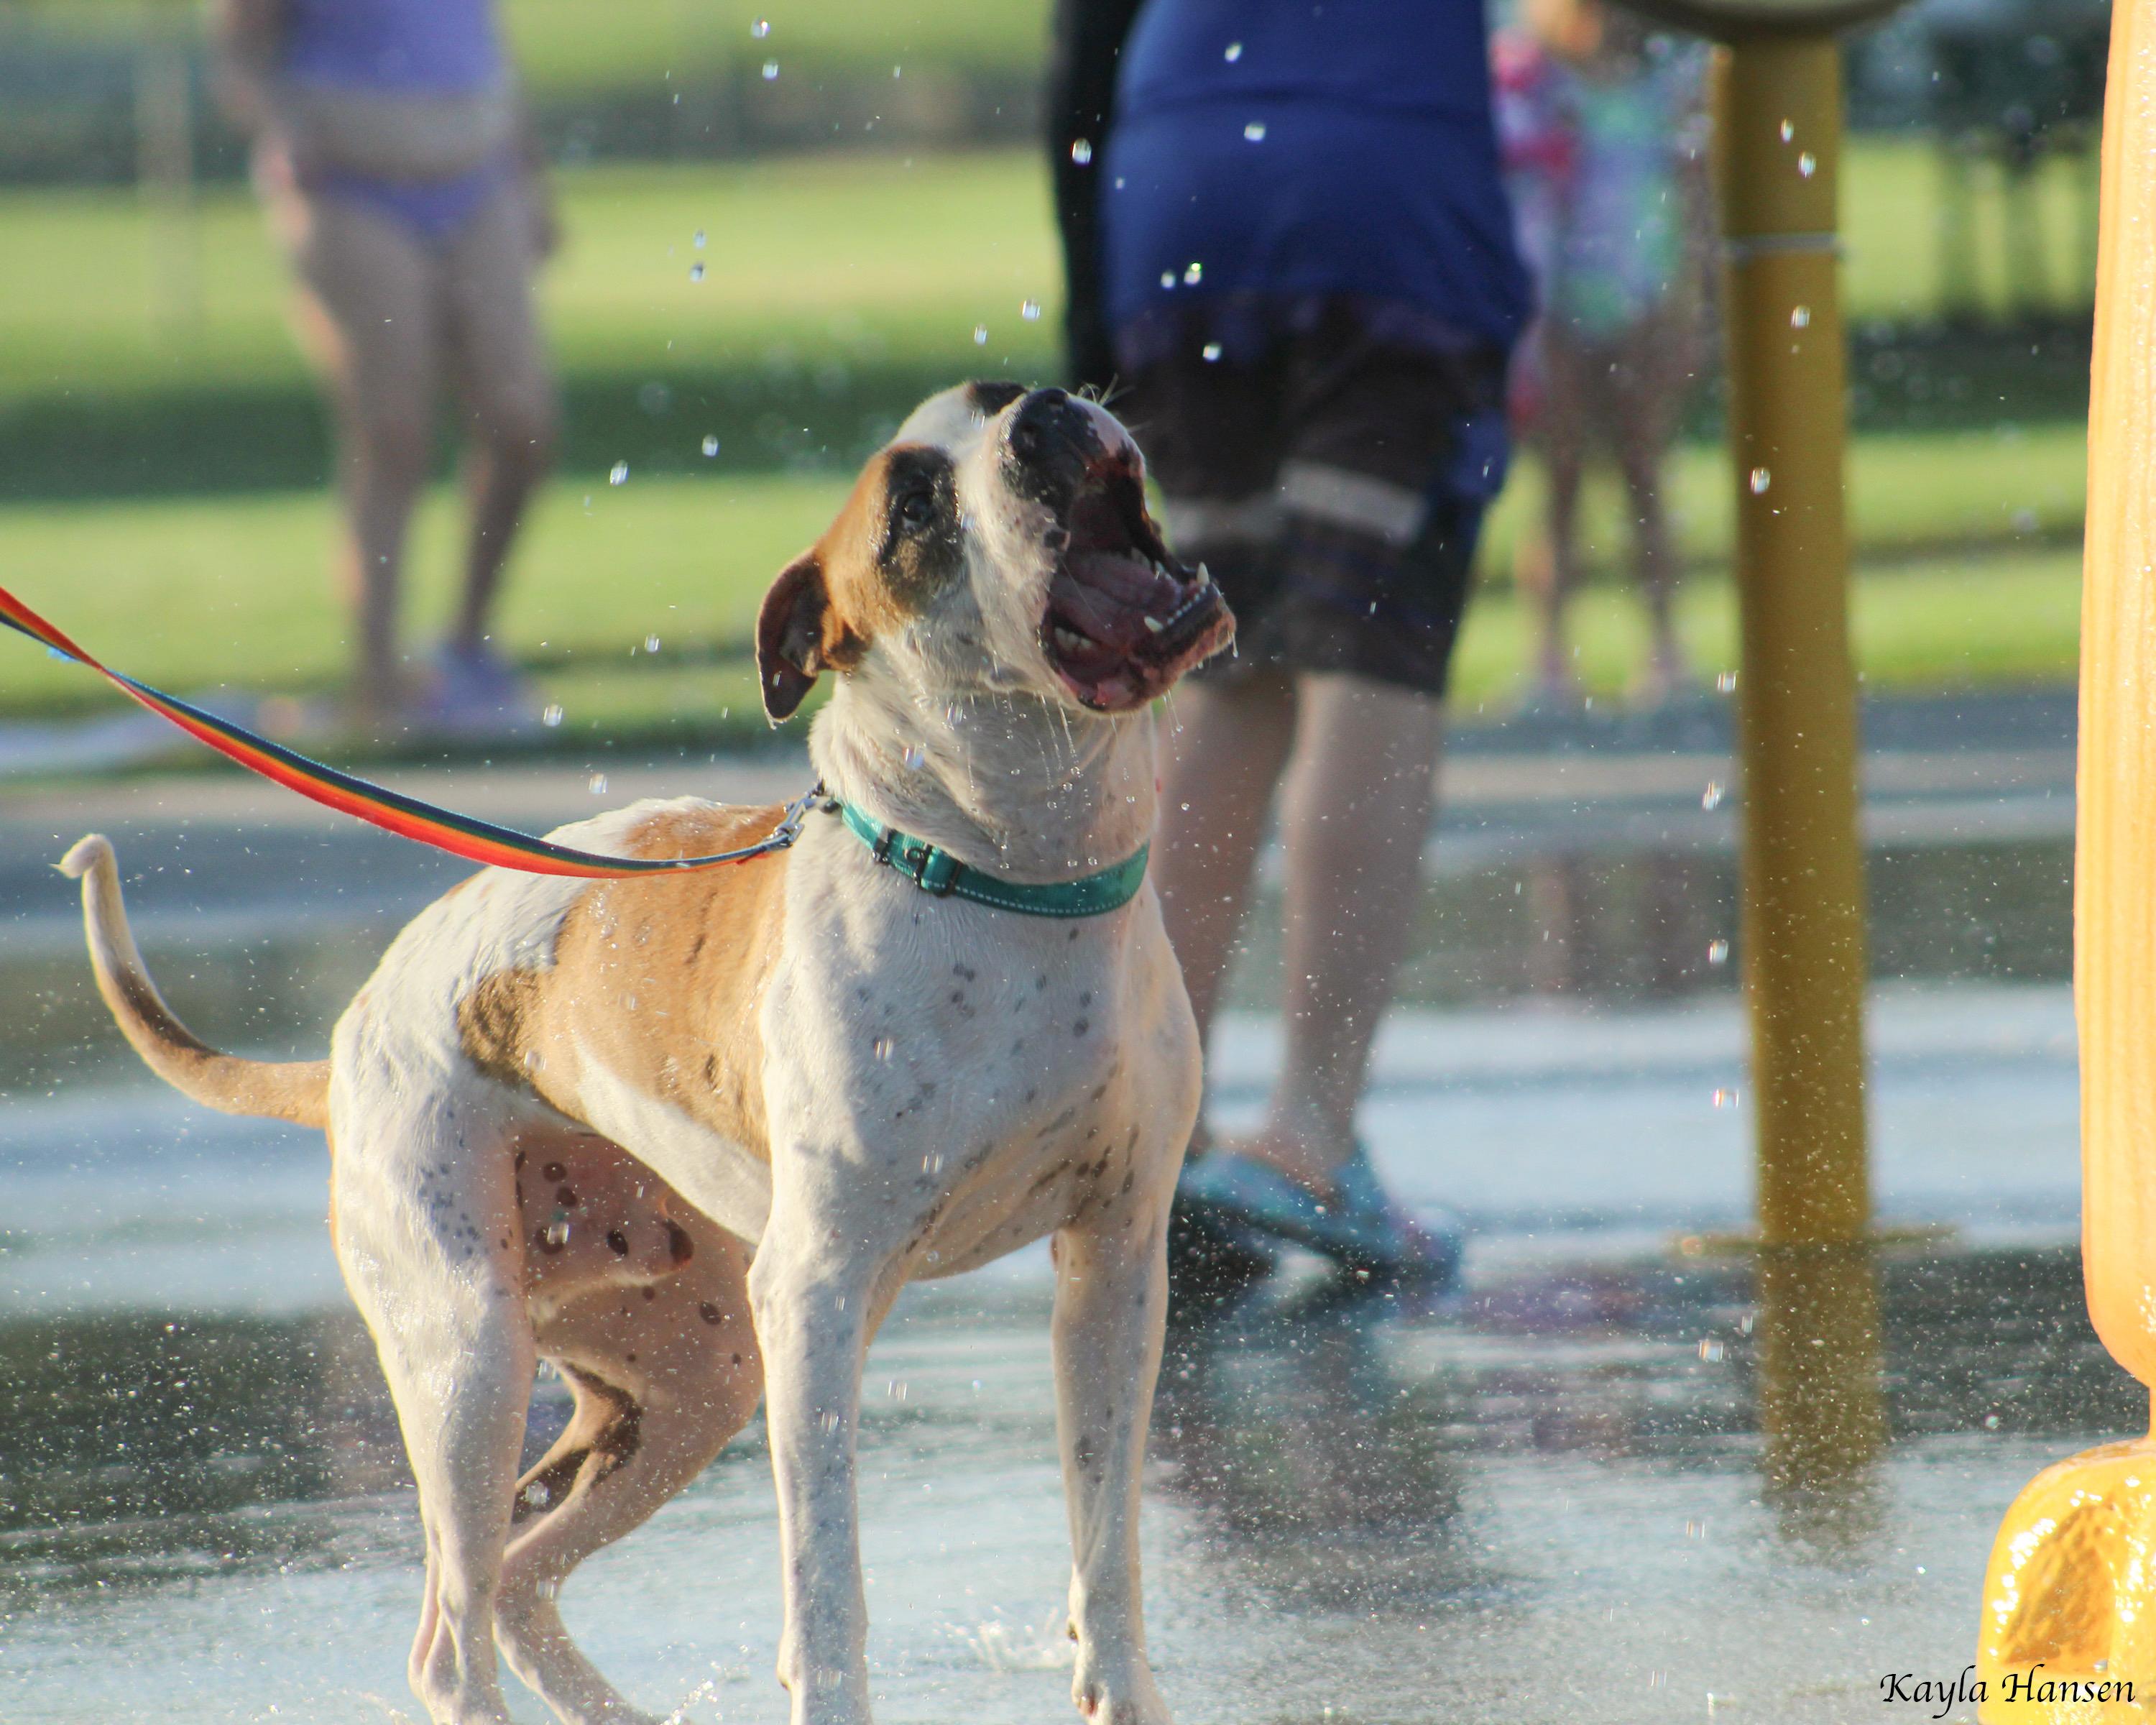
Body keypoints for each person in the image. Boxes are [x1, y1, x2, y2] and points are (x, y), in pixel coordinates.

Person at [1051, 0, 1531, 1282]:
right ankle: (1308, 1138)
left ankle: (1154, 1131)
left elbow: (1081, 43)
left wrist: (1095, 305)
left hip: (1179, 195)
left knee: (1224, 669)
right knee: (1369, 657)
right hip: (1386, 204)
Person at [216, 0, 558, 735]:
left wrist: (533, 174)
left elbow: (479, 37)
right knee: (392, 430)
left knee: (521, 422)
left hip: (477, 164)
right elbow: (239, 51)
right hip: (349, 177)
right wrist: (284, 127)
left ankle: (465, 650)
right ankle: (378, 683)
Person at [1494, 0, 1710, 708]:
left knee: (1643, 473)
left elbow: (1693, 206)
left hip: (1639, 297)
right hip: (1557, 304)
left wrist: (1691, 311)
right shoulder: (1543, 91)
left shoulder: (1663, 94)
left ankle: (1665, 646)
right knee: (1558, 485)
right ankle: (1551, 656)